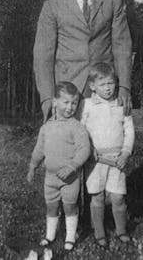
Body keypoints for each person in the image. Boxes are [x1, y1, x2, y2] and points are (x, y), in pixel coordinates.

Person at [33, 0, 133, 122]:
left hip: (104, 90)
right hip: (68, 93)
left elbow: (122, 48)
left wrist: (124, 86)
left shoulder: (112, 3)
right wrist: (47, 97)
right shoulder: (52, 6)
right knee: (68, 144)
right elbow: (43, 56)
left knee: (107, 142)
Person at [27, 82, 90, 251]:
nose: (70, 107)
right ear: (55, 102)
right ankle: (50, 235)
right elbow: (39, 149)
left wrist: (72, 166)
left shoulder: (77, 127)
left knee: (70, 206)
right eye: (66, 102)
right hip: (50, 178)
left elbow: (85, 149)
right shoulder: (46, 127)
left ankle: (70, 237)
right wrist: (33, 165)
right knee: (51, 206)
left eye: (74, 103)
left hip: (70, 179)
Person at [81, 63, 135, 248]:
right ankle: (99, 233)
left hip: (117, 160)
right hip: (95, 160)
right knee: (97, 197)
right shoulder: (87, 105)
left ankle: (121, 230)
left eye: (111, 83)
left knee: (118, 197)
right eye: (102, 84)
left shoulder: (121, 103)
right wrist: (88, 149)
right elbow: (81, 130)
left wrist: (126, 153)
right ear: (92, 86)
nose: (108, 88)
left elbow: (129, 131)